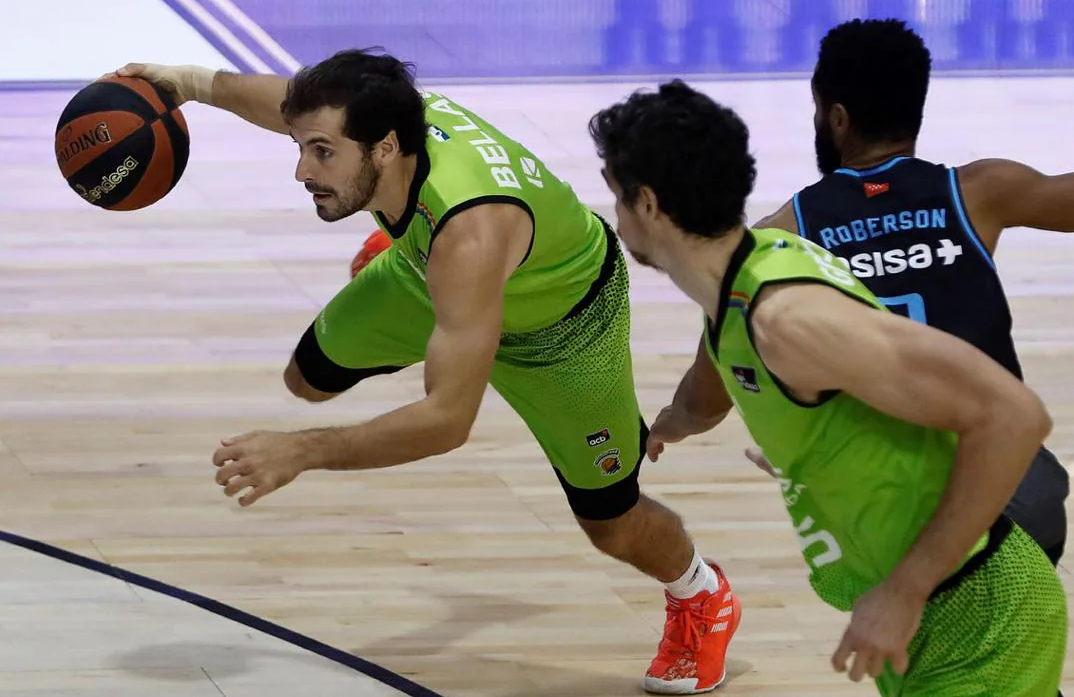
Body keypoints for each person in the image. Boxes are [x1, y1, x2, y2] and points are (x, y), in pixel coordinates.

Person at [105, 51, 741, 695]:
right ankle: (418, 267)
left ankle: (702, 595)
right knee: (308, 380)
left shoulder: (471, 230)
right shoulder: (383, 117)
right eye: (303, 148)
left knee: (612, 522)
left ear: (384, 148)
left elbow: (447, 423)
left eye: (321, 153)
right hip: (435, 274)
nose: (302, 170)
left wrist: (302, 452)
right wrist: (182, 85)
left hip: (563, 329)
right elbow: (277, 101)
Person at [663, 18, 1074, 568]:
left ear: (836, 118)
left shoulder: (783, 237)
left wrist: (671, 421)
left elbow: (707, 397)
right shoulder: (978, 192)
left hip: (890, 511)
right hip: (1017, 498)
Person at [587, 79, 1068, 694]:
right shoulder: (746, 274)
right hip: (934, 621)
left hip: (974, 618)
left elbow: (1015, 415)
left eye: (616, 198)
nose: (617, 216)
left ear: (648, 205)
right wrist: (692, 426)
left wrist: (902, 591)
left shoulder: (786, 322)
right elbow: (722, 396)